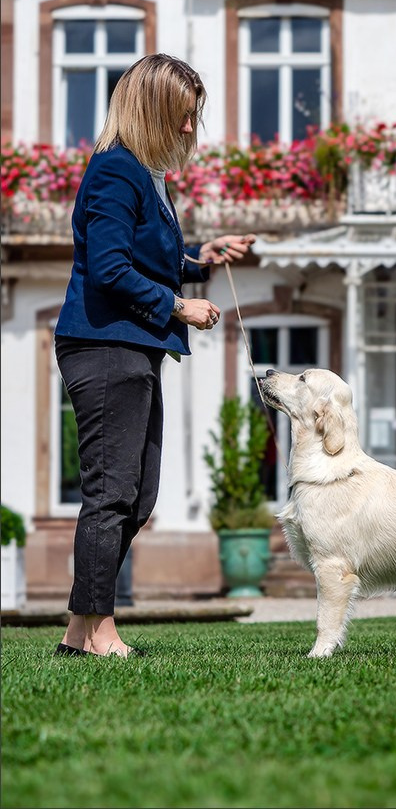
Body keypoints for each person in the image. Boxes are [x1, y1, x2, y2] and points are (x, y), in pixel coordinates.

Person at [53, 53, 254, 658]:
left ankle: (76, 632)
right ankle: (101, 632)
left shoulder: (141, 175)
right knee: (112, 493)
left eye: (194, 117)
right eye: (183, 116)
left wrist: (201, 256)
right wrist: (177, 305)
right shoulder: (117, 170)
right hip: (106, 345)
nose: (191, 129)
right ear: (152, 111)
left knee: (136, 498)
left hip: (130, 347)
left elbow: (144, 252)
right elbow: (111, 269)